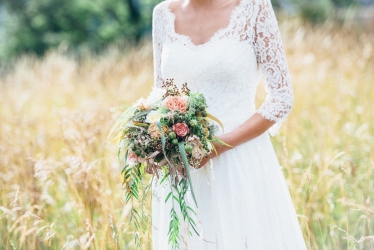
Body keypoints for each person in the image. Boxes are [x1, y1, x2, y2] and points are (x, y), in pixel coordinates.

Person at [151, 0, 308, 249]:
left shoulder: (254, 7)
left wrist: (216, 147)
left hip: (241, 160)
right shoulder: (162, 14)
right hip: (182, 170)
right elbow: (162, 94)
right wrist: (151, 143)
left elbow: (281, 98)